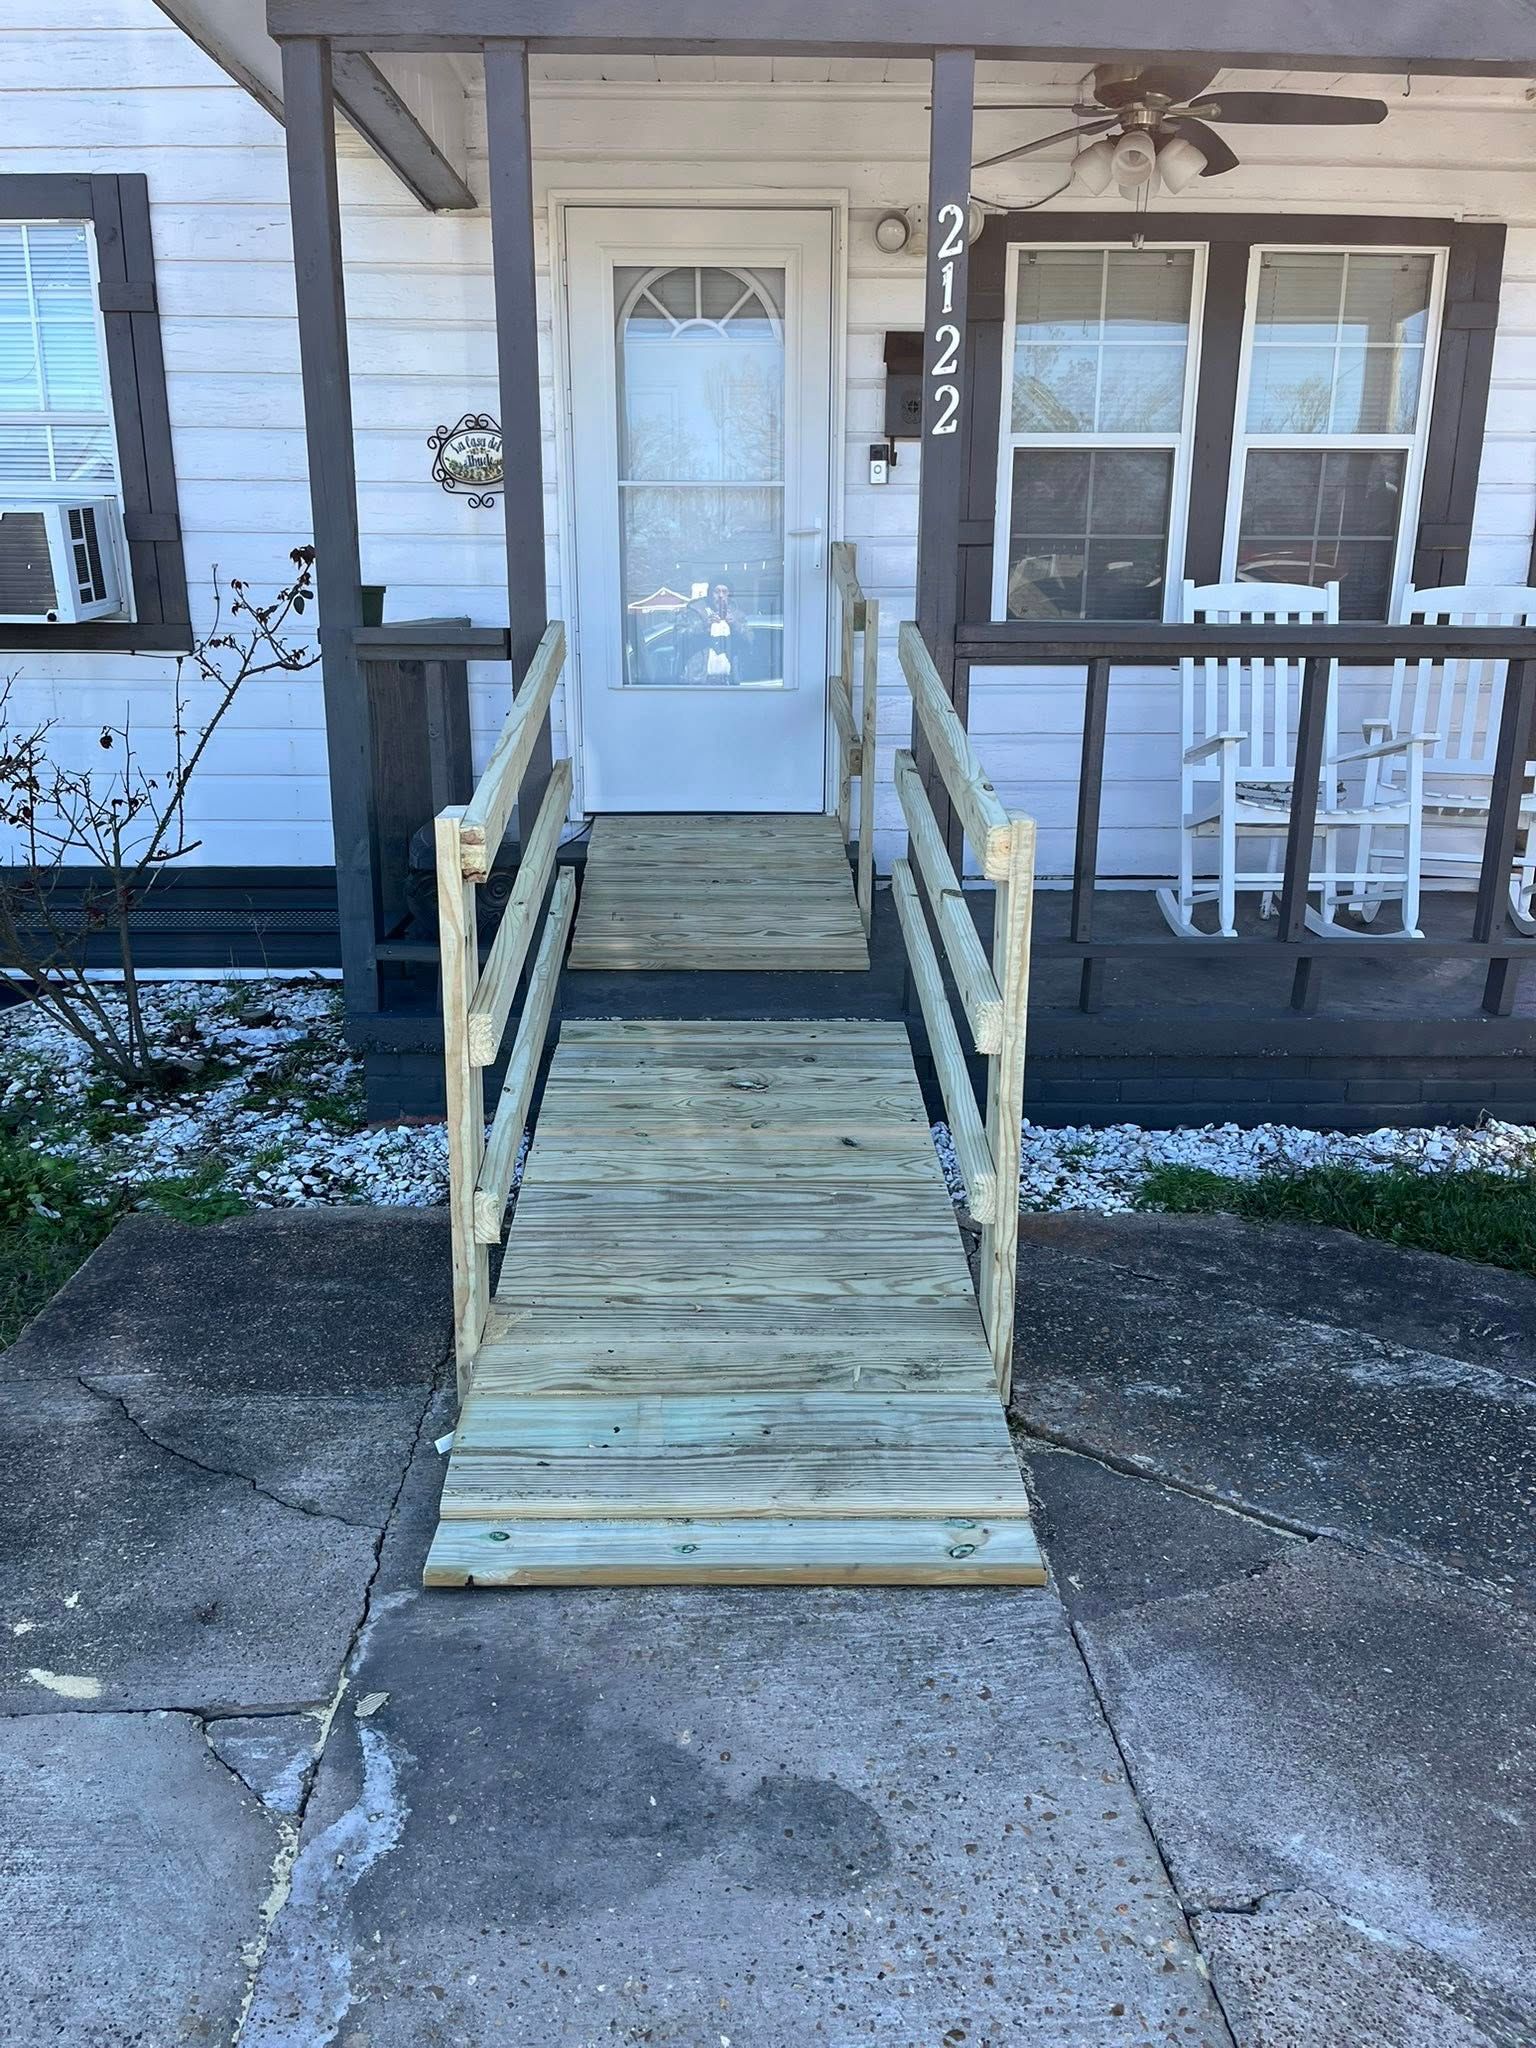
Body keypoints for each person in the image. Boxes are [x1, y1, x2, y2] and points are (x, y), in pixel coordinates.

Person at [678, 580, 751, 683]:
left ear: (729, 595)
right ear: (709, 594)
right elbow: (678, 637)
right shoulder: (694, 613)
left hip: (728, 683)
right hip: (699, 682)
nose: (721, 596)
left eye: (724, 592)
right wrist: (704, 625)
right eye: (716, 591)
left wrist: (735, 625)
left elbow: (750, 640)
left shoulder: (737, 615)